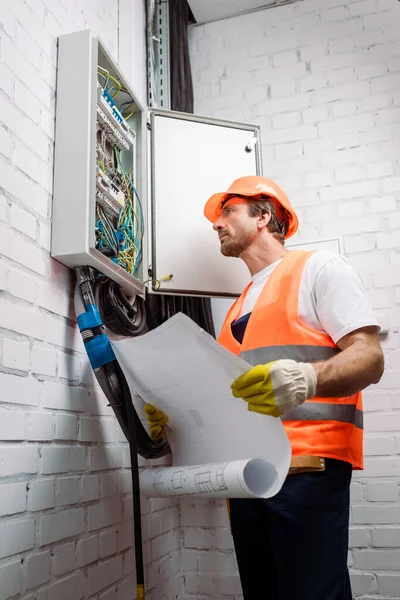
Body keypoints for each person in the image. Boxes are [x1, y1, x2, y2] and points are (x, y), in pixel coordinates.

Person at [145, 176, 384, 600]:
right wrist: (177, 416)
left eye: (228, 211)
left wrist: (308, 378)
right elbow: (227, 402)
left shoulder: (318, 269)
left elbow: (369, 357)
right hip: (248, 477)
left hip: (307, 469)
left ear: (263, 215)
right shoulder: (237, 306)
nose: (216, 224)